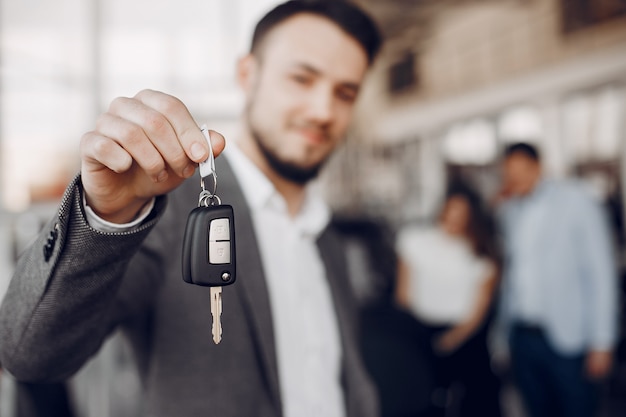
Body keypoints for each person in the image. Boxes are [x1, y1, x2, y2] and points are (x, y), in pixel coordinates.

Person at [0, 1, 382, 416]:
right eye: (301, 78)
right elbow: (29, 354)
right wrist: (105, 216)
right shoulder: (164, 213)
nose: (323, 111)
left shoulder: (328, 237)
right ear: (247, 74)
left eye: (346, 93)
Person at [497, 142, 618, 417]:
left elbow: (600, 272)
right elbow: (511, 275)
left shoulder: (577, 201)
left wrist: (602, 340)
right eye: (508, 173)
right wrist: (502, 337)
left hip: (569, 337)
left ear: (538, 167)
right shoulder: (509, 211)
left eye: (521, 171)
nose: (515, 179)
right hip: (523, 336)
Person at [395, 182, 502, 417]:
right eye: (451, 210)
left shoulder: (481, 255)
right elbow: (403, 295)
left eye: (463, 214)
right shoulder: (414, 241)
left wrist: (449, 341)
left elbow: (479, 310)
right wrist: (417, 341)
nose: (455, 219)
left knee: (477, 403)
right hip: (419, 335)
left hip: (464, 338)